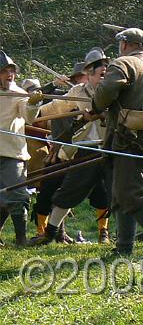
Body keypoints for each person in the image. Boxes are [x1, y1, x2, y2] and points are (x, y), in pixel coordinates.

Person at [88, 28, 143, 254]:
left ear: (126, 44)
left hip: (132, 136)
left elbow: (108, 89)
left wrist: (95, 106)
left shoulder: (124, 62)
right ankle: (124, 246)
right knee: (121, 191)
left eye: (121, 43)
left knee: (132, 192)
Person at [33, 47, 111, 245]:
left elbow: (123, 116)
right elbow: (53, 108)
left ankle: (109, 234)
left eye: (105, 67)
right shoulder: (77, 92)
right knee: (69, 191)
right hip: (85, 149)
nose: (103, 70)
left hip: (111, 147)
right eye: (98, 67)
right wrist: (31, 107)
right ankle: (49, 233)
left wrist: (102, 115)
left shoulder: (114, 89)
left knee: (114, 193)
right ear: (89, 72)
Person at [31, 61, 87, 243]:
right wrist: (53, 84)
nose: (81, 81)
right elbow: (36, 102)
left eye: (84, 77)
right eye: (79, 78)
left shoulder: (94, 96)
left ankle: (103, 233)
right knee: (48, 191)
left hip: (82, 150)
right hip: (57, 150)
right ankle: (43, 233)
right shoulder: (59, 96)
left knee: (79, 193)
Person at [0, 51, 42, 246]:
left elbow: (29, 116)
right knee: (1, 199)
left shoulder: (19, 94)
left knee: (17, 196)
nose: (10, 75)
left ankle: (21, 240)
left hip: (12, 154)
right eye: (4, 71)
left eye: (12, 71)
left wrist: (33, 102)